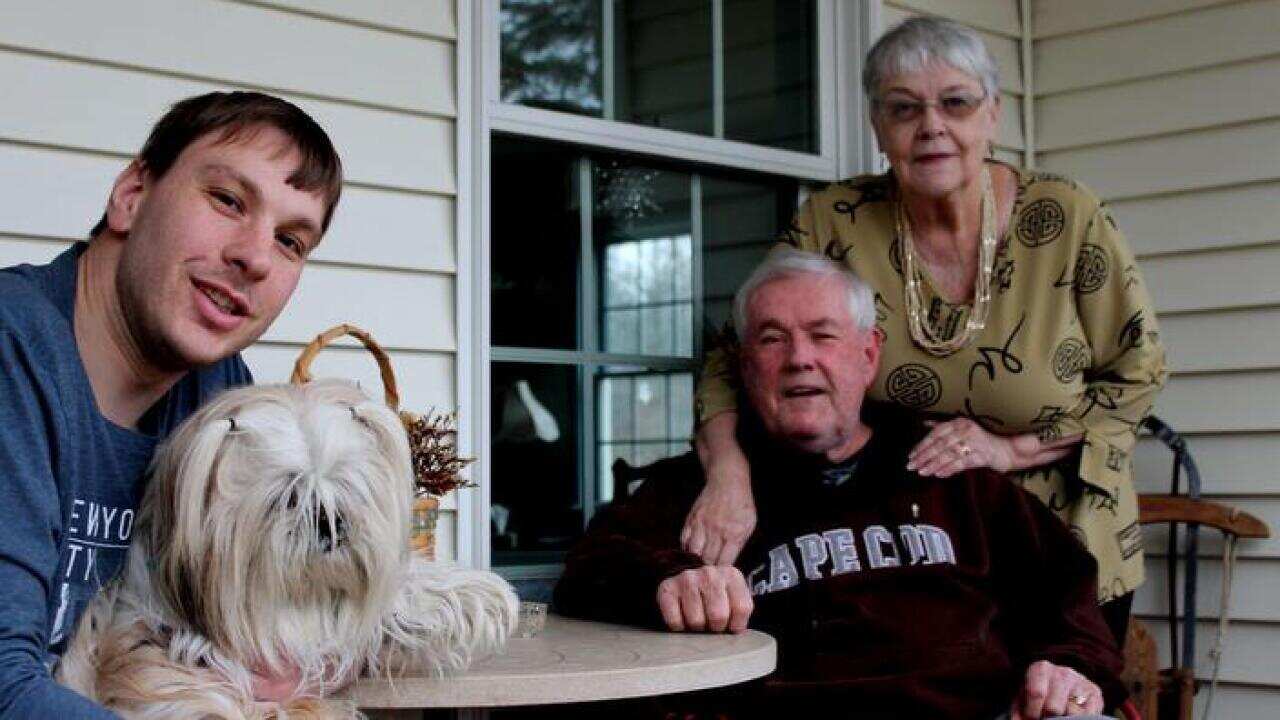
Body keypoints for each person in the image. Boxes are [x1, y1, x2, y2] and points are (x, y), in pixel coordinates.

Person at [684, 16, 1166, 642]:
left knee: (1056, 687)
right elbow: (734, 355)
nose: (931, 126)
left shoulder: (1067, 216)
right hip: (912, 550)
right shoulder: (835, 220)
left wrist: (1009, 450)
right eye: (903, 108)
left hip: (1062, 547)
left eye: (956, 103)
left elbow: (1137, 371)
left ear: (993, 114)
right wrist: (727, 474)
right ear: (877, 126)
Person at [554, 250, 1125, 719]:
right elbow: (589, 570)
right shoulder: (700, 489)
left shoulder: (954, 477)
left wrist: (1071, 668)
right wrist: (670, 578)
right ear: (745, 366)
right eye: (772, 339)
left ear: (868, 354)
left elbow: (1067, 593)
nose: (799, 359)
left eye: (822, 335)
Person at [0, 91, 343, 718]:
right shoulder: (13, 353)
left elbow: (260, 628)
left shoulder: (217, 395)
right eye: (228, 200)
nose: (254, 257)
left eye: (291, 241)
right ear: (132, 196)